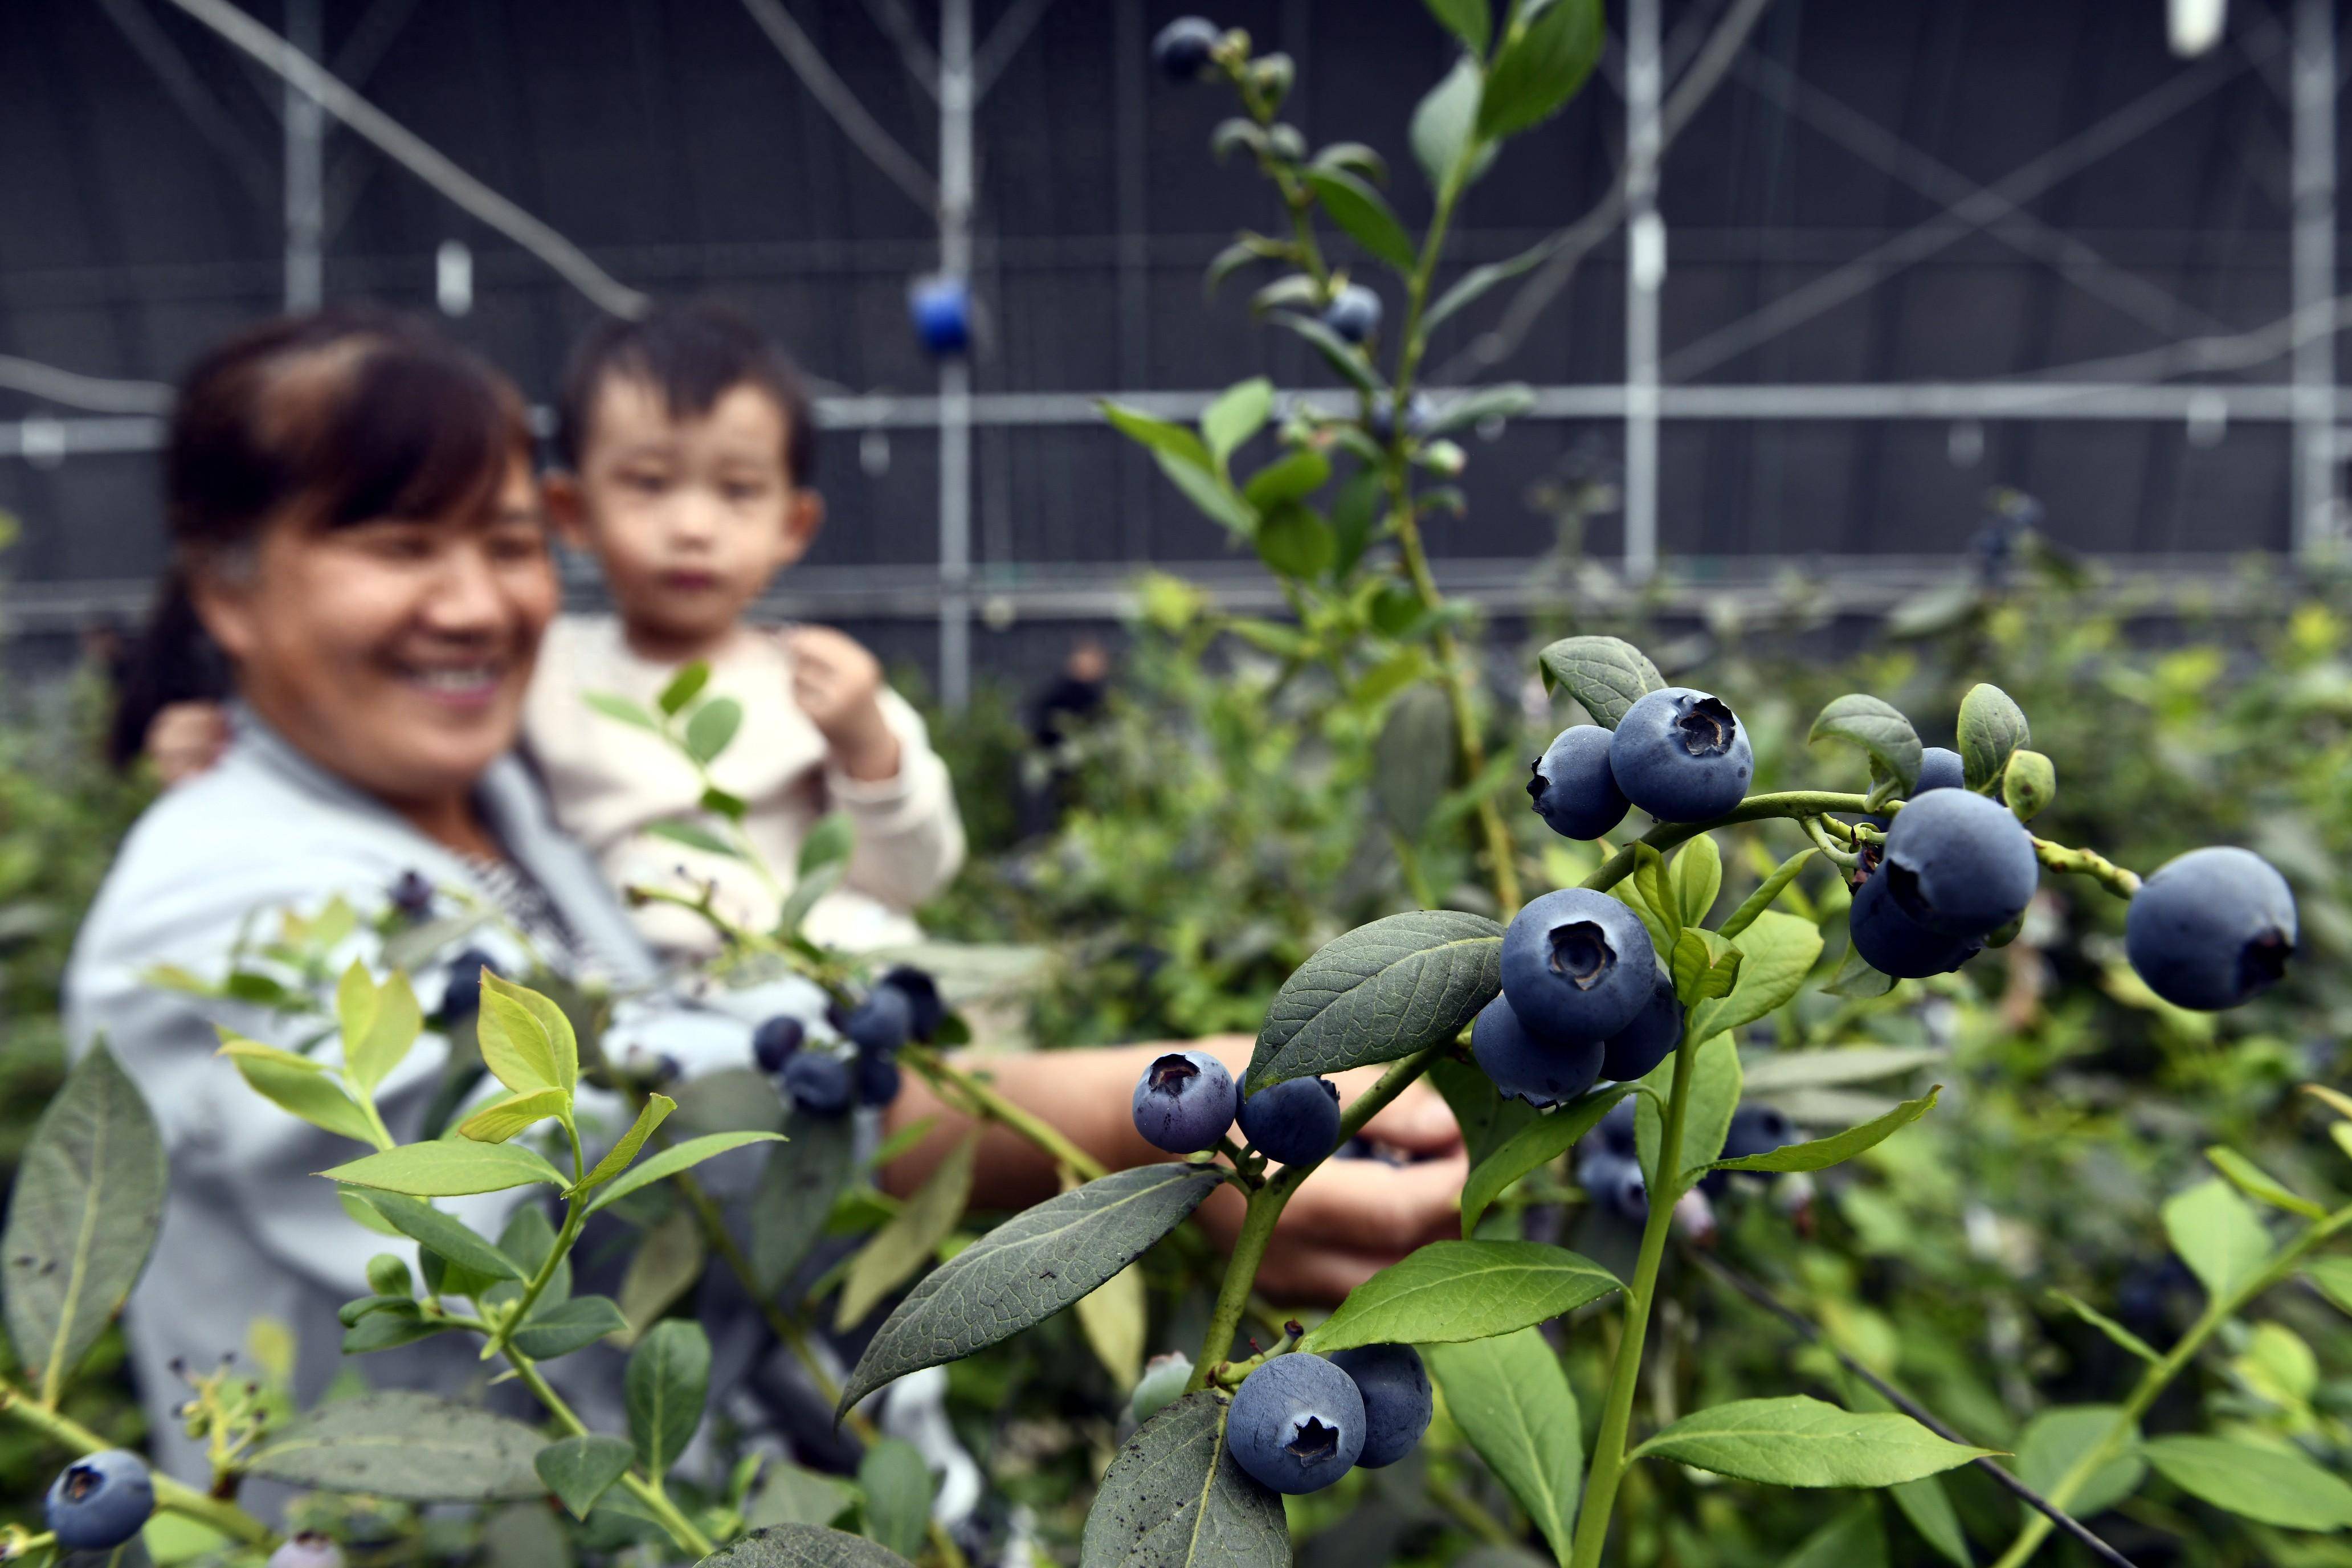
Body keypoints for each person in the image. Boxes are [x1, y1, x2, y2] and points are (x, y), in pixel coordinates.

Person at [63, 308, 1464, 1484]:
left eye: (499, 543)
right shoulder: (208, 915)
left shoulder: (512, 804)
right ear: (226, 587)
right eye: (394, 545)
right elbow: (600, 1165)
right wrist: (1104, 1131)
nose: (474, 604)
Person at [528, 301, 963, 959]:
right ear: (572, 512)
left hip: (834, 996)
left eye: (738, 490)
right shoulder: (539, 672)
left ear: (792, 526)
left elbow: (916, 880)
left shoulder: (819, 682)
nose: (694, 528)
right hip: (643, 1012)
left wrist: (868, 750)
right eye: (649, 483)